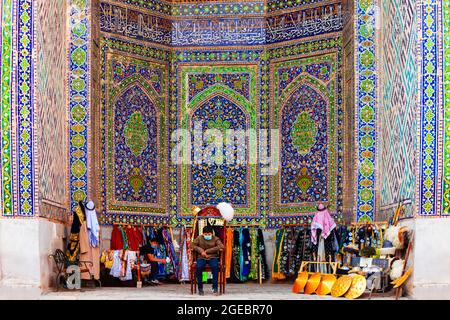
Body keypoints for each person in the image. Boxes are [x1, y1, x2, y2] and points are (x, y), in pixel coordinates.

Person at [191, 226, 224, 296]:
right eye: (205, 234)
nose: (207, 236)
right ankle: (200, 288)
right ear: (203, 234)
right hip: (201, 257)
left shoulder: (216, 239)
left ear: (212, 234)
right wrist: (201, 250)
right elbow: (192, 245)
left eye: (209, 234)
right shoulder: (199, 238)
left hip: (213, 257)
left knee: (215, 267)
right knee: (199, 268)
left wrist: (208, 251)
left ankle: (215, 288)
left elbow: (221, 246)